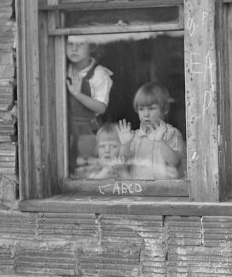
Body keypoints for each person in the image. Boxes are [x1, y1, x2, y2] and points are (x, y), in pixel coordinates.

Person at [116, 82, 185, 180]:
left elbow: (175, 162)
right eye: (141, 109)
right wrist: (125, 144)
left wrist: (161, 141)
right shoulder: (134, 136)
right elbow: (124, 162)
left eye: (151, 108)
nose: (146, 114)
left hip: (166, 190)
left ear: (165, 109)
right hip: (140, 190)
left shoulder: (172, 133)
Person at [66, 37, 113, 168]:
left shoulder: (98, 74)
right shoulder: (62, 67)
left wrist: (78, 94)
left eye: (80, 44)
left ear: (91, 46)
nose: (74, 48)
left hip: (87, 131)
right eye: (69, 43)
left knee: (87, 166)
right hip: (66, 128)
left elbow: (101, 107)